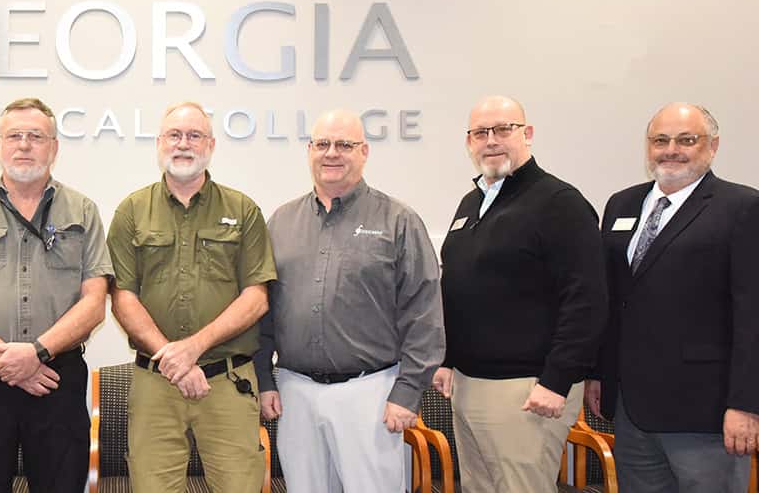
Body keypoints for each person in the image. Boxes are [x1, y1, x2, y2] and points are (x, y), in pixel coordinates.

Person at [0, 97, 112, 492]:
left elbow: (95, 302)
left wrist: (36, 354)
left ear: (54, 148)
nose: (25, 145)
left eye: (36, 137)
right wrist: (7, 359)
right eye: (14, 136)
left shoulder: (83, 211)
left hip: (57, 378)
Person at [256, 109, 444, 492]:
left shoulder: (398, 220)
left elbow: (424, 312)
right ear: (309, 150)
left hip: (372, 392)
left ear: (364, 151)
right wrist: (264, 379)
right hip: (296, 390)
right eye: (323, 144)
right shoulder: (280, 222)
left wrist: (407, 393)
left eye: (344, 144)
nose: (332, 153)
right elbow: (264, 312)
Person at [433, 95, 607, 492]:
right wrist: (447, 360)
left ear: (526, 134)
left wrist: (556, 381)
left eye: (503, 129)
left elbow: (586, 300)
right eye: (481, 132)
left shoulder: (559, 203)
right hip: (469, 384)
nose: (491, 140)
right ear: (469, 142)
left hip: (527, 390)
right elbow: (459, 290)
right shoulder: (472, 203)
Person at [587, 102, 759, 492]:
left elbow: (753, 315)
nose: (671, 150)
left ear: (712, 147)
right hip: (631, 408)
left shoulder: (743, 207)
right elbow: (613, 299)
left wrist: (747, 404)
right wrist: (598, 372)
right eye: (660, 140)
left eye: (687, 140)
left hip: (706, 413)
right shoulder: (621, 205)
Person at [106, 101, 275, 493]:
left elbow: (257, 297)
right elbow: (123, 297)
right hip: (156, 382)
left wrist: (193, 348)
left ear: (211, 145)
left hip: (229, 381)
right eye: (175, 135)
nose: (184, 144)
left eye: (194, 135)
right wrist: (173, 357)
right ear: (159, 143)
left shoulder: (243, 210)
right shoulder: (131, 211)